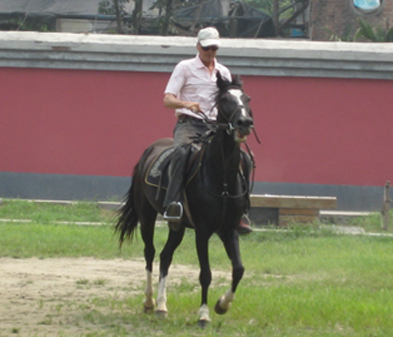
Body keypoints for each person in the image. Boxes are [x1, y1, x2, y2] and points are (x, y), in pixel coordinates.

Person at [162, 26, 252, 234]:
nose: (210, 52)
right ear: (198, 46)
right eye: (206, 48)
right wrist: (187, 104)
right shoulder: (184, 67)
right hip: (190, 123)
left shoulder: (224, 72)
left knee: (244, 159)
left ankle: (241, 211)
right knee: (182, 151)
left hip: (216, 128)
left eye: (213, 48)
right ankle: (173, 203)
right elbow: (167, 100)